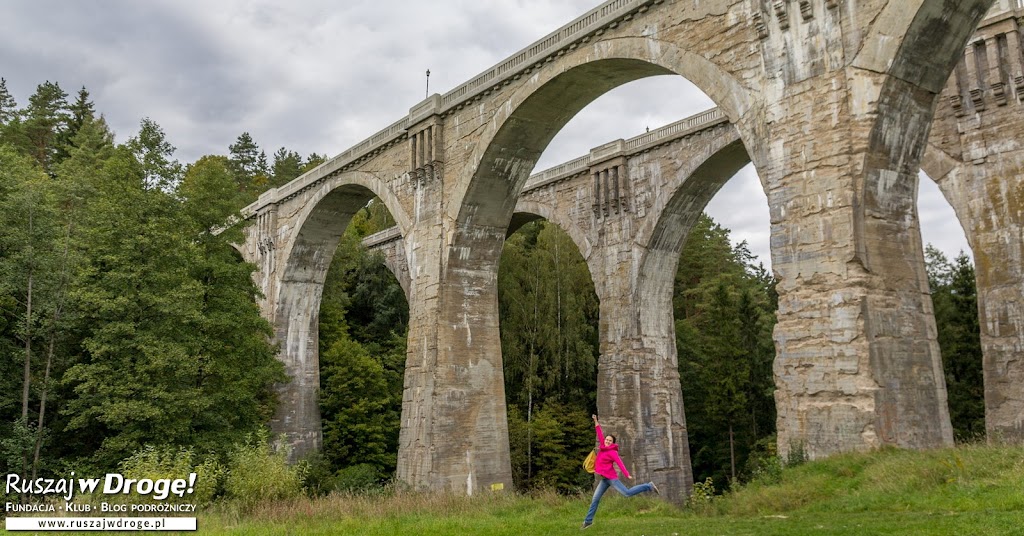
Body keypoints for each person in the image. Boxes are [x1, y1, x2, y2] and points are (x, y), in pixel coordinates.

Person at [581, 414, 659, 529]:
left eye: (609, 440)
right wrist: (595, 420)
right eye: (607, 439)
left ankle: (648, 486)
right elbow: (599, 432)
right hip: (604, 480)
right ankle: (588, 521)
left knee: (626, 493)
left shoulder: (613, 452)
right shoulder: (602, 446)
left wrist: (627, 474)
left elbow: (620, 464)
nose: (607, 441)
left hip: (611, 479)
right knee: (595, 499)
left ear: (612, 443)